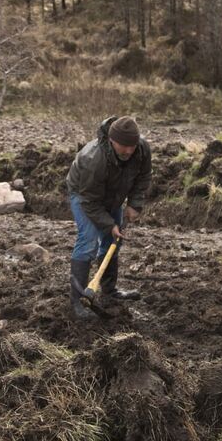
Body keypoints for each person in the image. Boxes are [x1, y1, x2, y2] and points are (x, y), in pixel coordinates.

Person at [66, 116, 152, 319]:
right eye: (123, 146)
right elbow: (90, 201)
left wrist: (134, 204)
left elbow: (143, 176)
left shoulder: (141, 149)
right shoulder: (93, 159)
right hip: (84, 195)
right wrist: (108, 224)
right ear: (112, 140)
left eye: (132, 146)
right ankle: (77, 302)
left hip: (113, 194)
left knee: (114, 240)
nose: (128, 151)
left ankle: (109, 290)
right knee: (88, 240)